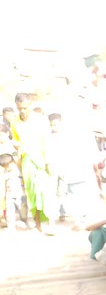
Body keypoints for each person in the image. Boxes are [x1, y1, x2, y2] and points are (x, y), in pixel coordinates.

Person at [10, 93, 57, 234]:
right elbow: (16, 140)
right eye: (19, 108)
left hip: (42, 160)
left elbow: (47, 141)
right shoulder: (14, 121)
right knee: (32, 192)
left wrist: (48, 161)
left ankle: (51, 224)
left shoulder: (40, 120)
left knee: (46, 192)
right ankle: (38, 225)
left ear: (29, 105)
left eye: (24, 108)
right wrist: (18, 147)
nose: (22, 111)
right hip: (26, 160)